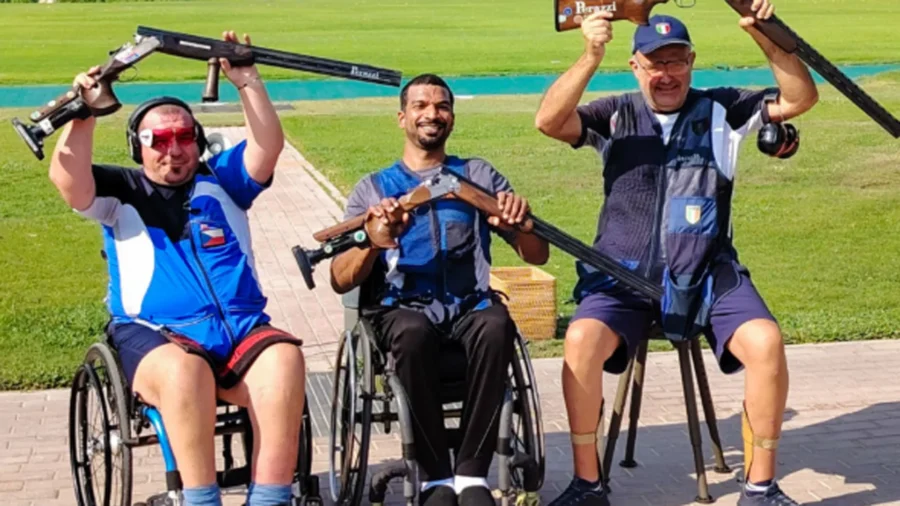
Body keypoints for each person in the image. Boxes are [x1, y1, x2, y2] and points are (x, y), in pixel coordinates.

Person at [534, 0, 818, 503]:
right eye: (655, 63)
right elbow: (549, 122)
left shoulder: (722, 109)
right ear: (635, 66)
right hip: (620, 275)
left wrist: (763, 32)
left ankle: (760, 487)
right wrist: (589, 56)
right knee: (578, 341)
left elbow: (799, 97)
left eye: (676, 61)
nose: (666, 74)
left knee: (766, 343)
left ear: (691, 61)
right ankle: (587, 483)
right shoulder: (615, 112)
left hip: (708, 274)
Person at [48, 31, 306, 506]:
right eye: (158, 139)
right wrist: (82, 115)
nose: (173, 149)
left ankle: (271, 497)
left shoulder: (223, 182)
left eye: (184, 137)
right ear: (138, 147)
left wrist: (246, 79)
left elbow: (267, 147)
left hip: (240, 329)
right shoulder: (119, 191)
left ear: (198, 141)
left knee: (285, 358)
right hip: (155, 333)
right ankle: (200, 498)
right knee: (188, 374)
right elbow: (68, 180)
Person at [330, 73, 550, 506]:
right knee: (411, 333)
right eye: (421, 106)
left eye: (442, 106)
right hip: (402, 308)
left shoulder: (478, 175)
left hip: (469, 304)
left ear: (452, 116)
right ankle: (434, 477)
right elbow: (340, 276)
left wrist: (519, 222)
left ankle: (470, 476)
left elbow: (536, 254)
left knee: (497, 323)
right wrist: (375, 240)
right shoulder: (373, 188)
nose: (432, 114)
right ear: (402, 117)